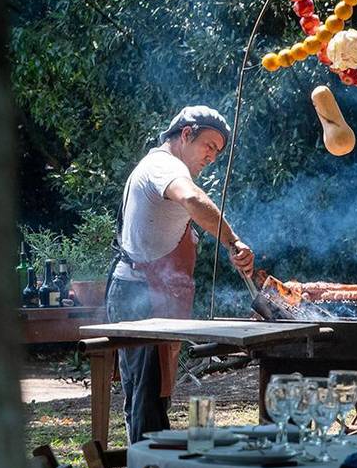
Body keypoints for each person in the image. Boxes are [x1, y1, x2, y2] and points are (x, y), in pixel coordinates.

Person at [105, 105, 255, 443]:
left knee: (153, 396)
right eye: (209, 146)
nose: (212, 157)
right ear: (186, 134)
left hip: (150, 294)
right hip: (139, 295)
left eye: (217, 152)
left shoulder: (165, 166)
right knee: (147, 401)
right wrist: (233, 241)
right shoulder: (164, 166)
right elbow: (192, 198)